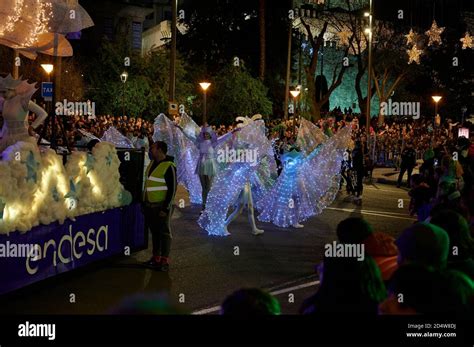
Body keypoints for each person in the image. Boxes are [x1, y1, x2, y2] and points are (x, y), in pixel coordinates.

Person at [143, 141, 177, 271]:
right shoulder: (152, 163)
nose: (151, 150)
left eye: (153, 148)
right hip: (150, 205)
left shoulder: (169, 166)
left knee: (164, 232)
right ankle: (156, 257)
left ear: (160, 150)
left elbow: (172, 189)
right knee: (155, 232)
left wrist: (166, 208)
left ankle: (164, 261)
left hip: (161, 206)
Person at [0, 75, 48, 153]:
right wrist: (2, 134)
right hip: (7, 139)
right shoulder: (4, 102)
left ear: (12, 89)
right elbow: (7, 121)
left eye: (4, 92)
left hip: (22, 138)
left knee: (17, 161)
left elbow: (43, 114)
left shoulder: (23, 101)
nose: (2, 95)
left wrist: (32, 127)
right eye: (0, 92)